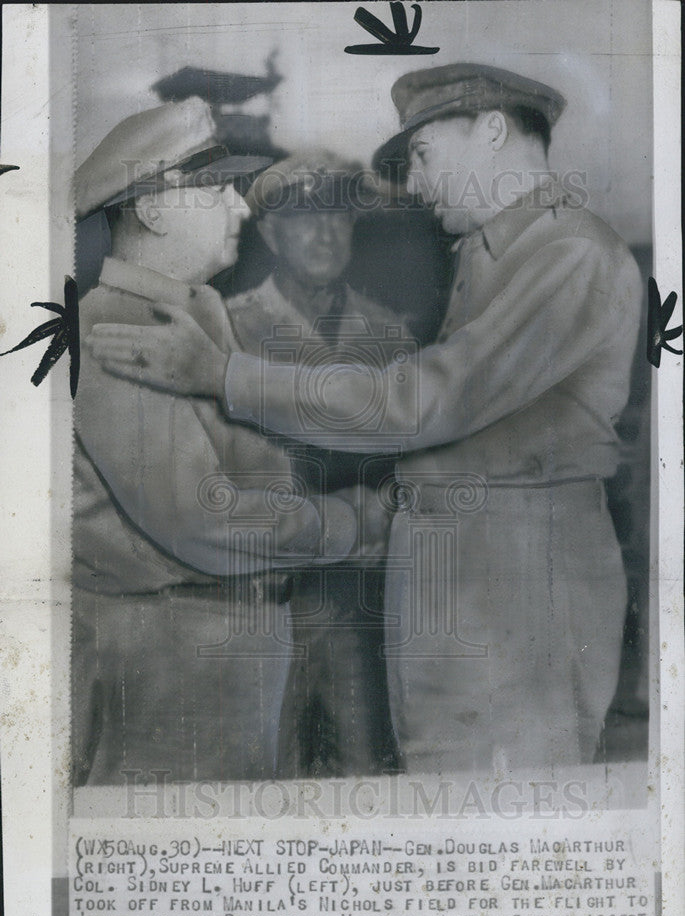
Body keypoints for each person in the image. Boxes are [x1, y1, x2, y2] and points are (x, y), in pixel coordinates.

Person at [90, 64, 643, 773]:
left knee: (500, 804)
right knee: (443, 786)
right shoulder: (494, 254)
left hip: (509, 589)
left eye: (422, 155)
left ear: (494, 132)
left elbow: (422, 402)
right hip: (451, 580)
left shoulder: (566, 253)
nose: (413, 185)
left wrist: (223, 375)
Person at [73, 98, 357, 785]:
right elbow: (200, 519)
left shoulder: (192, 317)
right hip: (169, 659)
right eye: (217, 189)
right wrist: (352, 523)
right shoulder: (117, 327)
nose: (239, 208)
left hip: (228, 645)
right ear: (154, 209)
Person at [227, 151, 407, 777]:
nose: (327, 233)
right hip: (252, 592)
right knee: (259, 773)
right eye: (305, 219)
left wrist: (384, 511)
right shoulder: (225, 329)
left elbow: (406, 468)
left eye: (341, 218)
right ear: (271, 233)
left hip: (356, 596)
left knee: (364, 767)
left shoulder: (389, 335)